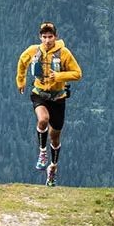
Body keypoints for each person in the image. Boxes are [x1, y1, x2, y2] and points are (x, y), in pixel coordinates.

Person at [15, 21, 82, 186]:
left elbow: (77, 74)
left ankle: (53, 168)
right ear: (40, 37)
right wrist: (21, 81)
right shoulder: (33, 51)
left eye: (50, 36)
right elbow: (22, 63)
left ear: (55, 37)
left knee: (55, 138)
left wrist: (58, 77)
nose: (47, 40)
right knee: (43, 119)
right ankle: (42, 152)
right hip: (39, 94)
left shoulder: (64, 53)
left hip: (58, 98)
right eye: (44, 37)